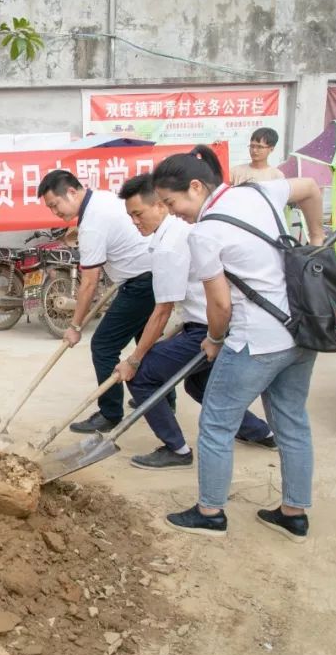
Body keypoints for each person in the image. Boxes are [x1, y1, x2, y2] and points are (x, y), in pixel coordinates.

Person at [152, 144, 325, 541]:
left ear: (196, 187)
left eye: (170, 201)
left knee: (215, 422)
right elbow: (312, 188)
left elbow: (220, 304)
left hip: (254, 340)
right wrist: (317, 240)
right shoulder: (259, 192)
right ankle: (293, 514)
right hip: (300, 330)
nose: (171, 210)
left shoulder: (205, 233)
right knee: (292, 421)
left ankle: (210, 512)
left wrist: (213, 340)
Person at [113, 173, 275, 471]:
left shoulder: (168, 246)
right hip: (214, 322)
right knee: (199, 385)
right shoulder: (179, 230)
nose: (135, 221)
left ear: (161, 206)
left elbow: (162, 310)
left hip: (209, 328)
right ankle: (262, 432)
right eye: (130, 216)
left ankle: (176, 449)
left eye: (139, 213)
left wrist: (134, 360)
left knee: (142, 377)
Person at [37, 169, 155, 433]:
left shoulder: (91, 223)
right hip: (149, 275)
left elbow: (89, 282)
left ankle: (110, 413)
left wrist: (75, 326)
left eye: (55, 205)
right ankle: (160, 399)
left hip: (141, 283)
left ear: (71, 192)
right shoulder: (102, 199)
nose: (55, 212)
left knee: (103, 346)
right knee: (146, 342)